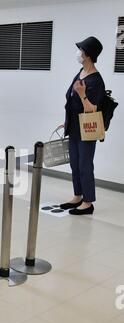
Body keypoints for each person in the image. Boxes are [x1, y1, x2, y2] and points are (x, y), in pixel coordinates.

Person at [61, 36, 105, 215]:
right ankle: (77, 196)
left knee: (85, 164)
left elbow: (92, 109)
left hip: (87, 128)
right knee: (75, 163)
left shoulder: (96, 80)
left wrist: (82, 94)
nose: (78, 53)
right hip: (73, 126)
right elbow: (71, 100)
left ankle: (88, 202)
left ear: (87, 54)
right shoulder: (80, 72)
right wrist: (66, 120)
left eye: (81, 50)